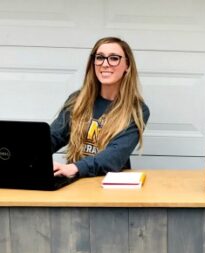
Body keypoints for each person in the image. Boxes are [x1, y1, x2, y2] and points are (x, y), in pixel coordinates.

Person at [51, 36, 150, 178]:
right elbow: (55, 136)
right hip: (75, 182)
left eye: (114, 58)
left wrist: (75, 167)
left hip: (109, 185)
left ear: (127, 66)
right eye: (100, 58)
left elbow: (114, 156)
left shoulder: (136, 110)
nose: (105, 64)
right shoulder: (77, 100)